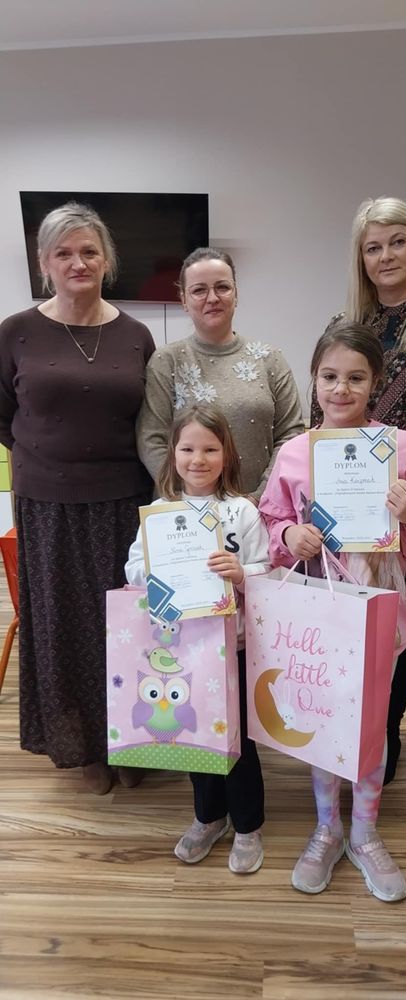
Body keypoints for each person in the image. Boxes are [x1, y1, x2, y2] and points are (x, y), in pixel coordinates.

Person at [261, 323, 406, 902]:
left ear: (376, 383)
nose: (341, 389)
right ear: (314, 379)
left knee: (371, 721)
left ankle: (364, 832)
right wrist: (289, 534)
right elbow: (270, 521)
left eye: (356, 378)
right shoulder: (295, 452)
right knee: (322, 716)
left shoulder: (400, 449)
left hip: (378, 608)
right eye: (329, 376)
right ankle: (327, 828)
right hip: (316, 610)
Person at [0, 201, 155, 794]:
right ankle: (85, 747)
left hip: (124, 503)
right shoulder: (16, 331)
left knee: (128, 625)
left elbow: (150, 418)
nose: (77, 262)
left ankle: (135, 739)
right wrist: (47, 458)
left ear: (107, 259)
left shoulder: (136, 335)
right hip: (48, 507)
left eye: (89, 251)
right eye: (63, 253)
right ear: (44, 264)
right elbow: (4, 414)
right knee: (65, 627)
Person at [312, 197, 406, 783]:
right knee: (347, 609)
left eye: (398, 241)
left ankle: (386, 726)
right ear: (360, 258)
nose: (386, 255)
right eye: (373, 247)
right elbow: (322, 408)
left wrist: (400, 482)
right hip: (344, 504)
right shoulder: (346, 323)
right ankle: (346, 724)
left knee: (403, 613)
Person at [126, 403, 270, 873]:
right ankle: (209, 817)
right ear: (173, 454)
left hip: (236, 646)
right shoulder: (160, 513)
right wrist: (156, 571)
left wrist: (241, 572)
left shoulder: (242, 511)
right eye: (187, 449)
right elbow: (133, 569)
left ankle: (248, 825)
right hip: (183, 648)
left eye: (210, 449)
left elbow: (268, 569)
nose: (198, 459)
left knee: (239, 741)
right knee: (196, 736)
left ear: (227, 455)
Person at [136, 247, 304, 501]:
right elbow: (150, 439)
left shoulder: (270, 360)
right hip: (184, 512)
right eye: (199, 290)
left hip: (259, 509)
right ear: (184, 299)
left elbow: (291, 435)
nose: (212, 298)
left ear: (236, 294)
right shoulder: (166, 361)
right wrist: (191, 501)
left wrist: (258, 498)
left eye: (222, 287)